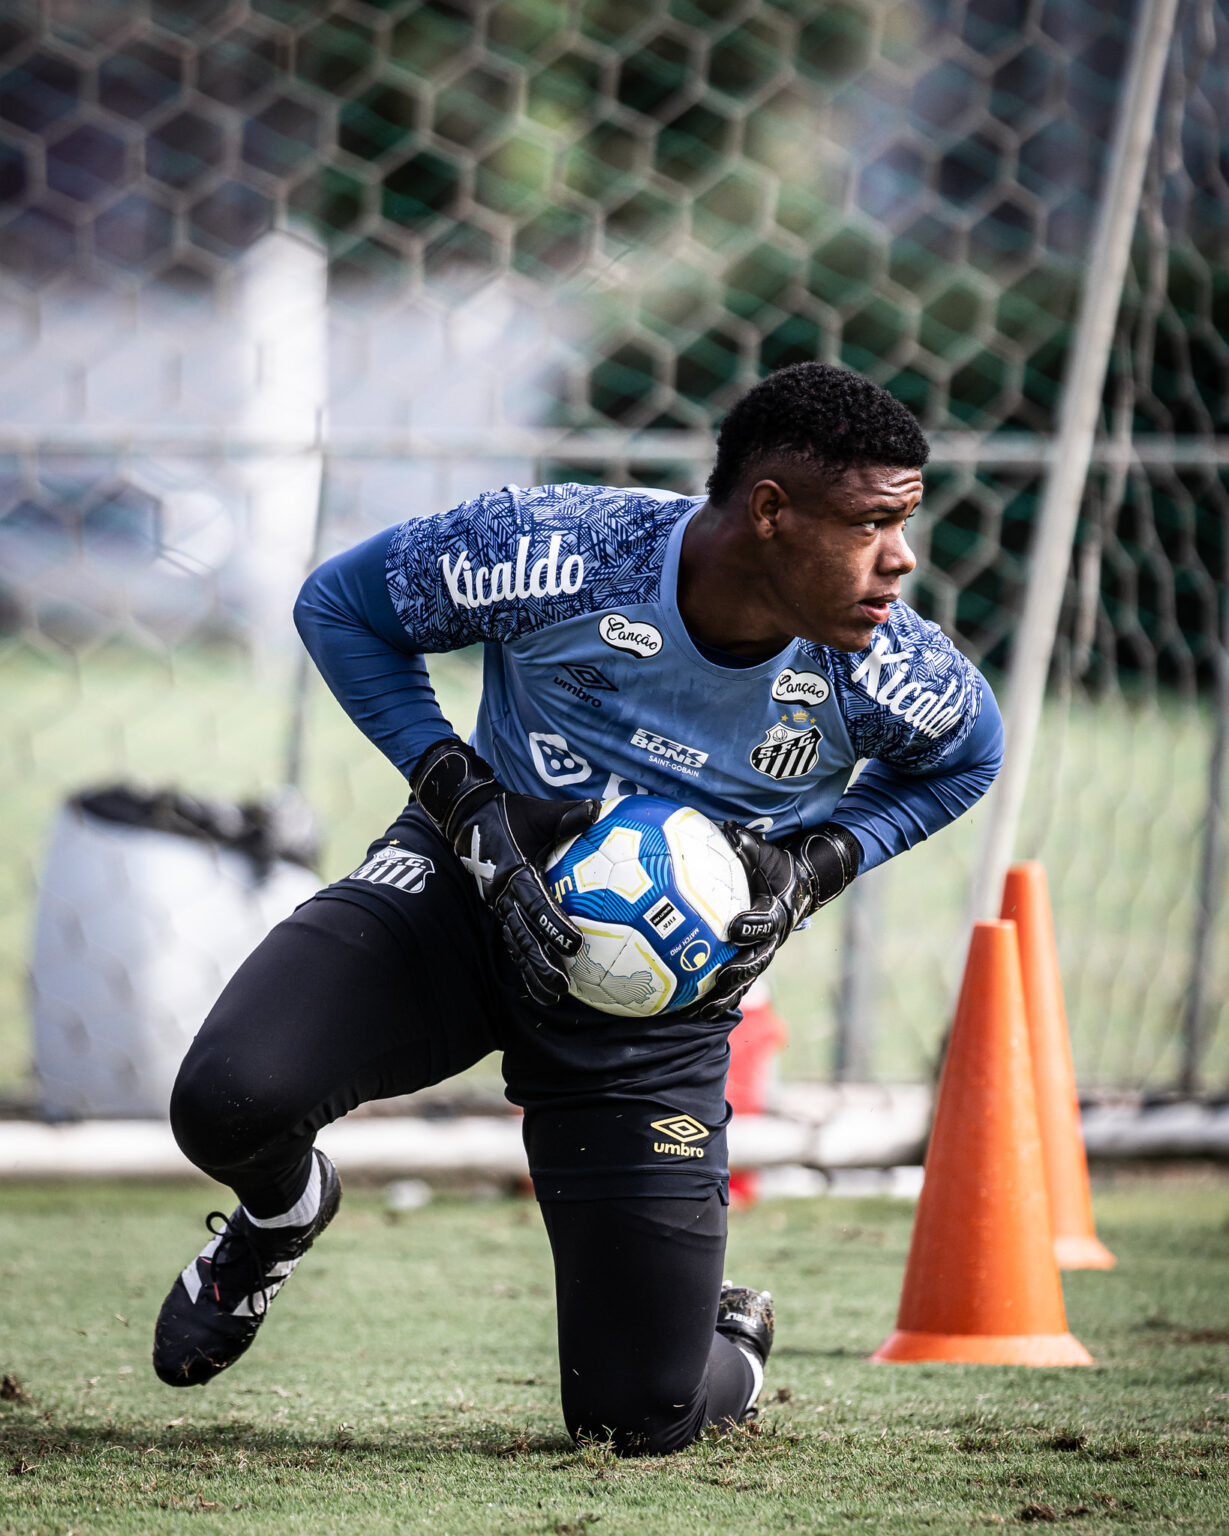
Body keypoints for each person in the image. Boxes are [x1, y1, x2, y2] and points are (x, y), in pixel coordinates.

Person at [152, 362, 1003, 1454]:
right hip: (465, 894)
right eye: (871, 524)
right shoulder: (560, 551)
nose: (902, 558)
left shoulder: (885, 667)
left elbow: (965, 759)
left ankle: (726, 1340)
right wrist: (461, 797)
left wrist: (819, 862)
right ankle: (279, 1215)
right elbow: (341, 606)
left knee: (637, 1421)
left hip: (658, 1001)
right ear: (770, 511)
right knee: (227, 1101)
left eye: (904, 523)